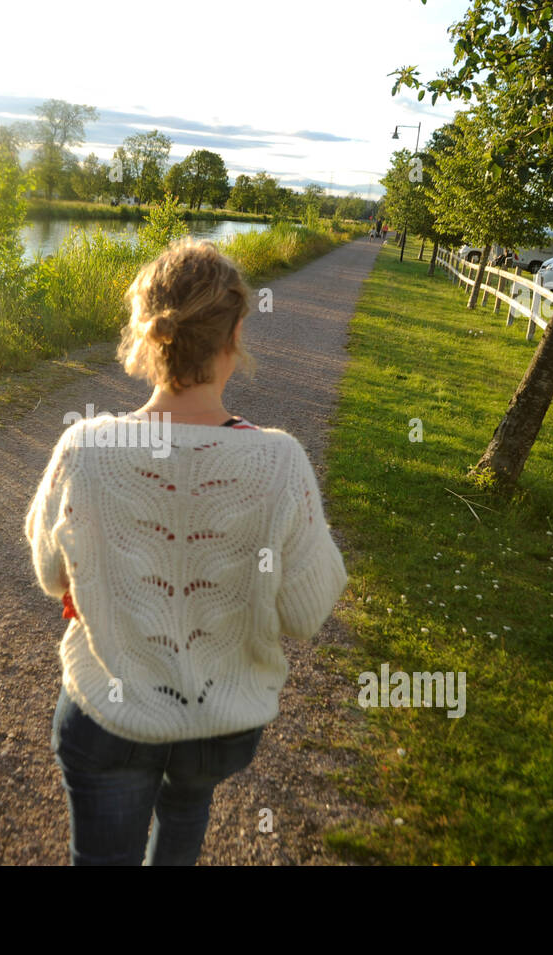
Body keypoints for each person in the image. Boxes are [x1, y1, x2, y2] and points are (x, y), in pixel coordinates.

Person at [23, 238, 349, 865]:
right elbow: (306, 614)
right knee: (185, 812)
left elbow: (49, 573)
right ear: (235, 336)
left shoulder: (84, 447)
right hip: (219, 723)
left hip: (110, 712)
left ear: (147, 337)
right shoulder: (279, 460)